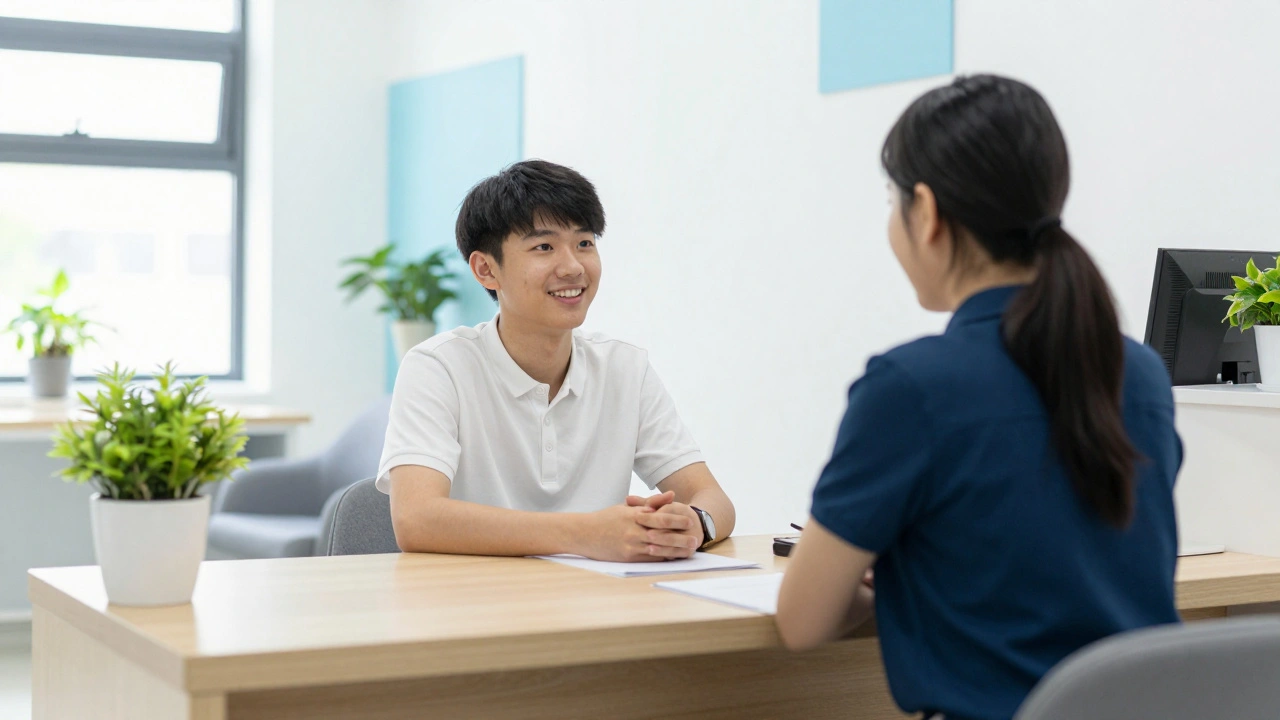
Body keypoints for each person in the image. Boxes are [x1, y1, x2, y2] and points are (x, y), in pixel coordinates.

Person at [775, 75, 1182, 720]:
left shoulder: (910, 388)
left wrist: (893, 582)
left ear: (928, 212)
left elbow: (801, 621)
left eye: (893, 200)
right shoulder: (1140, 372)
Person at [378, 159, 735, 562]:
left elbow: (714, 499)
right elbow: (416, 519)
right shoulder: (437, 367)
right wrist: (586, 533)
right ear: (485, 269)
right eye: (543, 247)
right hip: (472, 608)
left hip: (595, 607)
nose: (573, 267)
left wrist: (693, 523)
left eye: (584, 243)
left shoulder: (624, 369)